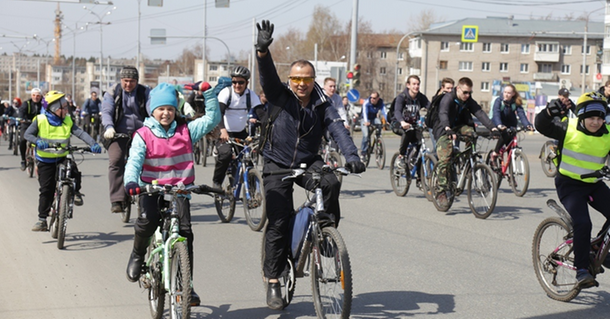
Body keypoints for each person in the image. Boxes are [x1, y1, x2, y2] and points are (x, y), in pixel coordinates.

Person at [255, 19, 366, 310]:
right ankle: (274, 280)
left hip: (307, 161)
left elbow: (339, 130)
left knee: (330, 180)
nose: (301, 85)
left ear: (313, 80)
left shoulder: (323, 104)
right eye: (296, 80)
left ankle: (327, 232)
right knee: (278, 222)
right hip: (276, 164)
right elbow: (267, 79)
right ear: (290, 81)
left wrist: (352, 157)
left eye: (306, 80)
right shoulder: (281, 96)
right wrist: (263, 53)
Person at [123, 82, 222, 306]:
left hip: (180, 191)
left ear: (175, 110)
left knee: (185, 235)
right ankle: (138, 254)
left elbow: (212, 119)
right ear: (152, 111)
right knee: (147, 222)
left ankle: (188, 285)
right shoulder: (143, 134)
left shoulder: (186, 130)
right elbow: (134, 161)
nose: (166, 113)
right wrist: (131, 181)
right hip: (151, 189)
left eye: (170, 108)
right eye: (161, 109)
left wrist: (208, 93)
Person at [535, 91, 610, 289]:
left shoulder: (608, 133)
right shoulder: (568, 128)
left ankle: (596, 246)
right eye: (591, 118)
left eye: (599, 118)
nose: (595, 122)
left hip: (594, 184)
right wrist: (548, 113)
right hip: (569, 185)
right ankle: (582, 269)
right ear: (582, 117)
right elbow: (541, 126)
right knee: (583, 223)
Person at [24, 91, 101, 231]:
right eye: (64, 107)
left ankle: (76, 192)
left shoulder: (67, 120)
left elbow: (80, 133)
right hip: (45, 160)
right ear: (54, 109)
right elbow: (27, 134)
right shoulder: (40, 120)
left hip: (62, 156)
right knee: (46, 190)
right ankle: (42, 220)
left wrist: (93, 143)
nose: (67, 110)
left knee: (74, 171)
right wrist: (37, 141)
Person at [432, 77, 498, 207]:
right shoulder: (448, 98)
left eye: (470, 93)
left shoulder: (468, 100)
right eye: (465, 92)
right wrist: (447, 128)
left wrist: (493, 128)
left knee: (472, 134)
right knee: (445, 158)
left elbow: (479, 112)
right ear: (458, 89)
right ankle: (441, 191)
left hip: (459, 126)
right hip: (444, 129)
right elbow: (443, 113)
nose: (467, 95)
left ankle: (468, 161)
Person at [101, 66, 151, 214]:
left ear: (137, 81)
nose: (128, 84)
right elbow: (107, 111)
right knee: (116, 160)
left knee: (147, 161)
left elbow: (151, 109)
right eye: (126, 81)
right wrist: (109, 127)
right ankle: (116, 199)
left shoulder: (144, 92)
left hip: (142, 133)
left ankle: (146, 193)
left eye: (132, 81)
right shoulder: (113, 92)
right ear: (121, 80)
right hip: (118, 133)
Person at [212, 66, 262, 188]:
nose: (237, 85)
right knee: (226, 155)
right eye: (234, 82)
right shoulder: (226, 93)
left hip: (240, 132)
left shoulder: (251, 95)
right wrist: (223, 131)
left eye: (241, 82)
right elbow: (219, 114)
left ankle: (252, 193)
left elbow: (262, 114)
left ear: (247, 83)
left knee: (248, 159)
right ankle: (217, 182)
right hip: (223, 130)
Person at [393, 75, 430, 173]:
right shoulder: (402, 97)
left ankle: (418, 174)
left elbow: (430, 108)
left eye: (418, 84)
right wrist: (402, 121)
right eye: (414, 84)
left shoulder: (420, 97)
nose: (416, 86)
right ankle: (401, 157)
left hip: (413, 125)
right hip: (398, 123)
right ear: (408, 85)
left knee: (420, 141)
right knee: (408, 132)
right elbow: (397, 111)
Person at [490, 84, 534, 158]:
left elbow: (521, 115)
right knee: (505, 134)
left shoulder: (515, 102)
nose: (506, 95)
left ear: (513, 94)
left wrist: (527, 125)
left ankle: (512, 166)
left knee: (510, 146)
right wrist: (499, 124)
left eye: (509, 93)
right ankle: (495, 153)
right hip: (499, 123)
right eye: (505, 92)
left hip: (511, 124)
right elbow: (496, 113)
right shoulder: (499, 101)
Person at [18, 88, 43, 170]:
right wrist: (21, 118)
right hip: (27, 124)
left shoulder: (43, 103)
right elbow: (21, 111)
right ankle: (23, 160)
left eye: (38, 95)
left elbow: (48, 110)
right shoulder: (27, 103)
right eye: (34, 95)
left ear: (40, 96)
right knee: (22, 140)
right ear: (31, 96)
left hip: (38, 124)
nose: (36, 97)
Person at [428, 78, 454, 149]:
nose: (450, 91)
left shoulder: (450, 98)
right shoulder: (439, 98)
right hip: (435, 126)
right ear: (442, 88)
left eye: (452, 88)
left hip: (446, 126)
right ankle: (432, 160)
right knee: (438, 149)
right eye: (448, 88)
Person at [360, 91, 387, 160]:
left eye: (374, 98)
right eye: (371, 97)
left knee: (379, 124)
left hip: (373, 118)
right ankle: (363, 152)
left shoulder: (380, 102)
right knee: (366, 135)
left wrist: (388, 120)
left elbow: (384, 111)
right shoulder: (367, 102)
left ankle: (378, 138)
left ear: (378, 98)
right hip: (364, 119)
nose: (372, 99)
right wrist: (366, 121)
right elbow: (364, 112)